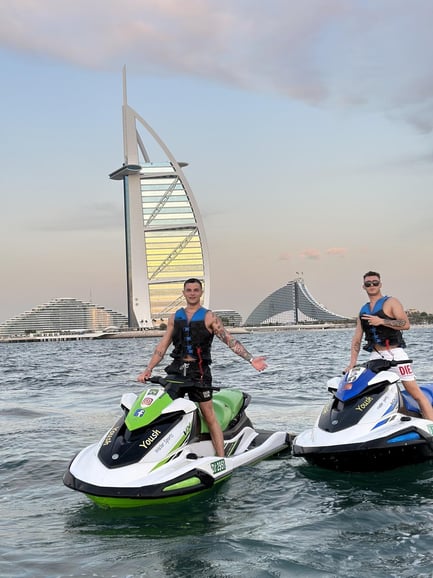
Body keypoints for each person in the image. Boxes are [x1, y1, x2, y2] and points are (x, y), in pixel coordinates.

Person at [137, 278, 268, 456]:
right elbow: (162, 347)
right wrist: (148, 369)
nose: (192, 293)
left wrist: (251, 359)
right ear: (183, 293)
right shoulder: (175, 317)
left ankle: (221, 457)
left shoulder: (209, 317)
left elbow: (230, 340)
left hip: (199, 373)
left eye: (195, 290)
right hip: (177, 371)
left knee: (208, 414)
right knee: (165, 411)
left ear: (201, 293)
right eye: (189, 290)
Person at [346, 270, 433, 421]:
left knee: (415, 393)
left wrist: (382, 321)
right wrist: (352, 364)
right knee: (369, 394)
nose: (372, 285)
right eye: (368, 283)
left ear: (380, 284)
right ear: (364, 287)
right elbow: (357, 339)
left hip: (396, 355)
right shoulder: (363, 310)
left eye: (375, 283)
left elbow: (405, 324)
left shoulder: (391, 302)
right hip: (375, 357)